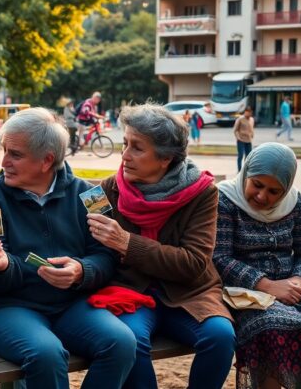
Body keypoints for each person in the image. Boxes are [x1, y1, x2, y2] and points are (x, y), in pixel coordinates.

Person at [0, 108, 136, 389]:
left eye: (15, 154)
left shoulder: (91, 194)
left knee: (121, 343)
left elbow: (108, 256)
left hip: (72, 305)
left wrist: (81, 271)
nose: (4, 162)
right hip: (8, 308)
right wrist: (2, 267)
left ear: (47, 160)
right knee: (46, 354)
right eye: (4, 151)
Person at [86, 103, 235, 389]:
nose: (124, 155)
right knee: (128, 341)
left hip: (191, 293)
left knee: (220, 336)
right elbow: (95, 251)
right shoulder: (103, 191)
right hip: (129, 292)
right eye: (125, 143)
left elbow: (193, 264)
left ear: (165, 158)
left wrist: (128, 243)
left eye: (137, 148)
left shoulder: (203, 193)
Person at [213, 143, 301, 389]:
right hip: (247, 293)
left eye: (273, 191)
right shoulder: (224, 200)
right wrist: (267, 285)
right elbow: (219, 257)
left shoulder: (294, 202)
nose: (262, 196)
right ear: (246, 173)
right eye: (257, 185)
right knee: (274, 328)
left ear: (286, 188)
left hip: (294, 286)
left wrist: (299, 280)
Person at [234, 106, 255, 171]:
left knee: (248, 156)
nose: (249, 114)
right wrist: (238, 138)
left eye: (250, 112)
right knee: (240, 155)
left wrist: (252, 135)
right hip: (241, 140)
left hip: (248, 140)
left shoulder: (252, 119)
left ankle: (246, 170)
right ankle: (239, 170)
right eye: (247, 112)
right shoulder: (240, 119)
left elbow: (252, 128)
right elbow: (235, 130)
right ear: (245, 112)